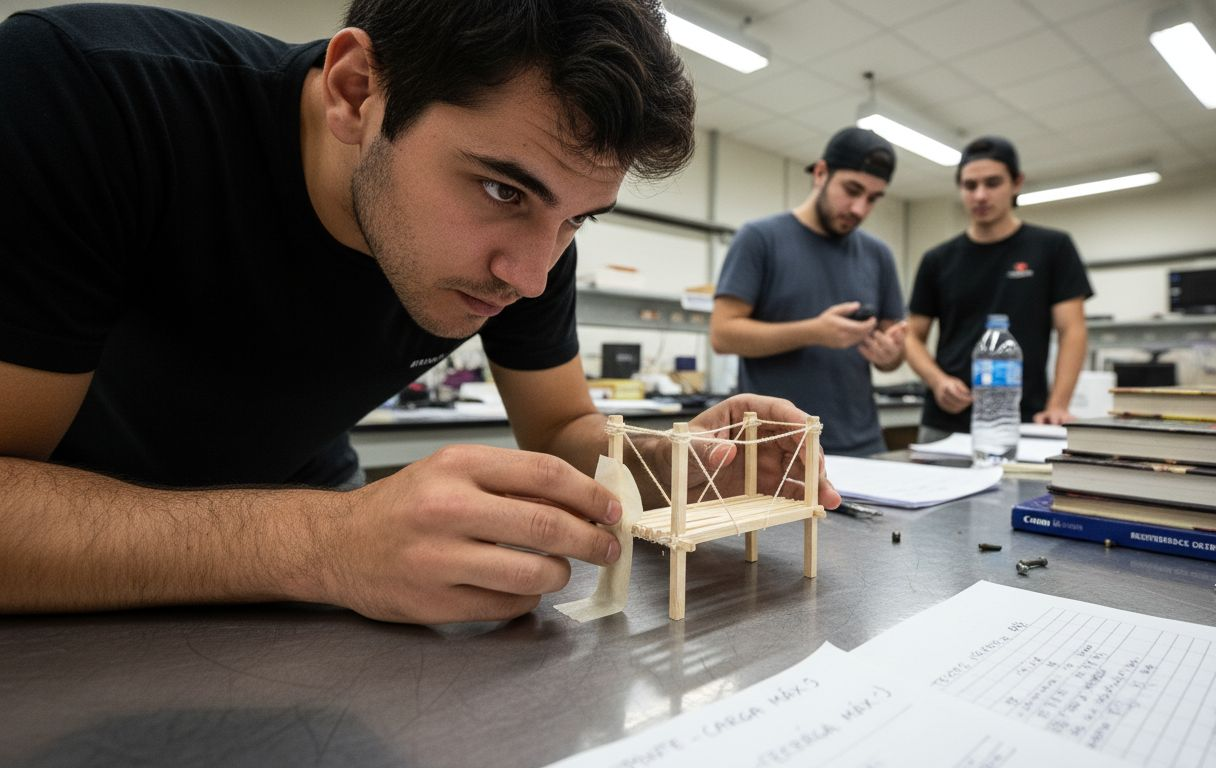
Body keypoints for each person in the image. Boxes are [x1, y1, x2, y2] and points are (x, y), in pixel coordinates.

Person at [0, 1, 840, 625]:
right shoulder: (85, 95)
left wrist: (675, 462)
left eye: (576, 219)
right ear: (356, 90)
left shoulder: (534, 241)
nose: (532, 276)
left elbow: (558, 429)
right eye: (501, 189)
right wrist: (323, 542)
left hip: (307, 562)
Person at [710, 127, 907, 457]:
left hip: (864, 447)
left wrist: (891, 356)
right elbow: (723, 334)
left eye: (872, 198)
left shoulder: (879, 255)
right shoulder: (759, 239)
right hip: (775, 451)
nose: (859, 208)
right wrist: (815, 332)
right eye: (852, 189)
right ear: (821, 173)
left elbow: (894, 352)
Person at [904, 136, 1093, 443]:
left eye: (992, 183)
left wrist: (1058, 404)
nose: (980, 195)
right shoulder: (937, 260)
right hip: (946, 424)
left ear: (1016, 183)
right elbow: (911, 335)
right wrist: (937, 381)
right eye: (970, 185)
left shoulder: (1052, 248)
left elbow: (1072, 330)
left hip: (1024, 421)